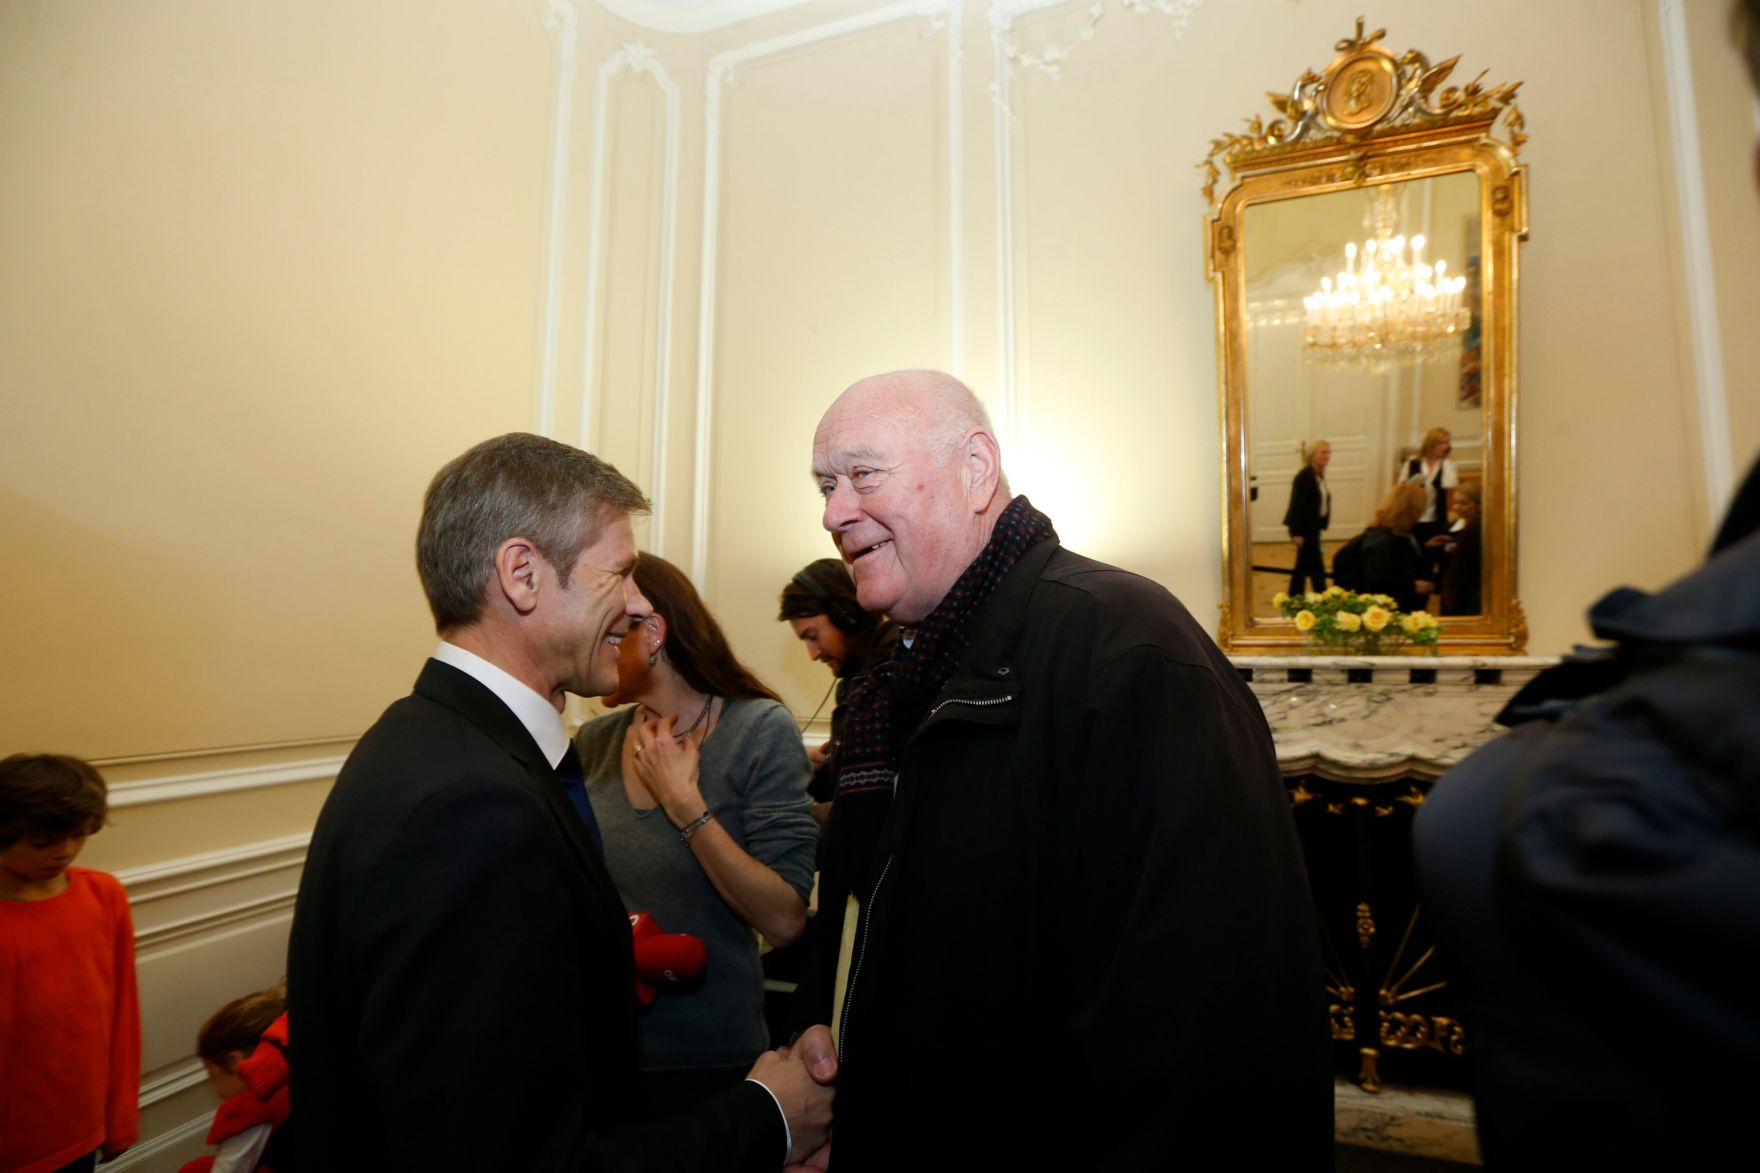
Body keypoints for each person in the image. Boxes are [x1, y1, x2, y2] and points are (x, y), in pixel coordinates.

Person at [806, 371, 1331, 1170]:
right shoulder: (899, 683)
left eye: (862, 474)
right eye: (825, 485)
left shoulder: (1126, 650)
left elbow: (1210, 1024)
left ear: (976, 469)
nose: (834, 511)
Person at [288, 433, 834, 1172]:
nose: (640, 603)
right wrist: (766, 1117)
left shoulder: (432, 743)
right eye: (622, 572)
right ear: (522, 574)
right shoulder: (472, 806)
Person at [576, 553, 817, 1106]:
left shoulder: (758, 731)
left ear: (653, 632)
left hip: (711, 1061)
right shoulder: (593, 744)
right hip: (603, 1053)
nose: (596, 650)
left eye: (611, 634)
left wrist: (685, 805)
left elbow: (784, 921)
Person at [0, 753, 140, 1173]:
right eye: (43, 842)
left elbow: (121, 1016)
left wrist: (119, 1120)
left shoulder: (104, 896)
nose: (66, 851)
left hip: (79, 1133)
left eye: (79, 836)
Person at [775, 559, 897, 810]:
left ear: (847, 616)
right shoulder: (854, 685)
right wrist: (814, 776)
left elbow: (875, 807)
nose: (813, 654)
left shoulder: (894, 672)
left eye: (812, 635)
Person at [180, 982, 294, 1173]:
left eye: (212, 1075)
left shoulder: (250, 1113)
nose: (216, 1090)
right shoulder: (292, 1084)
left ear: (234, 1062)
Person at [1358, 482, 1436, 612]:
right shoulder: (1382, 540)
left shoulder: (1403, 530)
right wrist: (1412, 586)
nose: (1423, 510)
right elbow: (1378, 582)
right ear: (1412, 508)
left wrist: (1426, 548)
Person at [1283, 439, 1333, 595]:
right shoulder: (1304, 477)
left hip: (1313, 527)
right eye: (1323, 452)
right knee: (1312, 564)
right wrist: (1297, 532)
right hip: (1304, 529)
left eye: (1329, 452)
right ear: (1312, 455)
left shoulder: (1318, 475)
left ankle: (1298, 596)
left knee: (1305, 565)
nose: (1328, 456)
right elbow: (1296, 505)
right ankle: (1321, 594)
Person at [1401, 426, 1458, 551]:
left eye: (1447, 443)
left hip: (1437, 518)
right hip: (1413, 517)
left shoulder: (1447, 465)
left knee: (1436, 551)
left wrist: (1447, 460)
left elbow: (1449, 486)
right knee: (1415, 552)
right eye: (1441, 443)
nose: (1445, 447)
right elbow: (1400, 490)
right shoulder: (1411, 464)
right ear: (1430, 444)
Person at [1433, 480, 1482, 616]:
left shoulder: (1479, 528)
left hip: (1470, 587)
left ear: (1478, 504)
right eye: (1455, 502)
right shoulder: (1449, 528)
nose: (1458, 507)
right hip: (1450, 588)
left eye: (1464, 503)